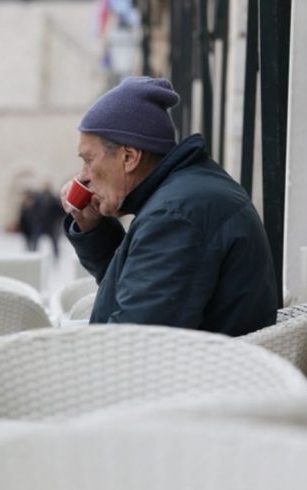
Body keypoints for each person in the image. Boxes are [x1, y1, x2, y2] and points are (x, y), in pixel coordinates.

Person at [60, 76, 277, 336]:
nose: (83, 176)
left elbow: (135, 341)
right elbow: (135, 286)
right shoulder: (183, 195)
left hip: (193, 374)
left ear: (129, 157)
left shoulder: (176, 215)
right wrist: (91, 225)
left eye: (88, 160)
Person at [31, 182, 65, 259]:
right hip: (40, 224)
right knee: (35, 241)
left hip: (51, 225)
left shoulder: (53, 199)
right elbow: (34, 210)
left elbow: (59, 211)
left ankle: (56, 257)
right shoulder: (38, 198)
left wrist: (57, 221)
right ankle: (33, 256)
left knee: (55, 242)